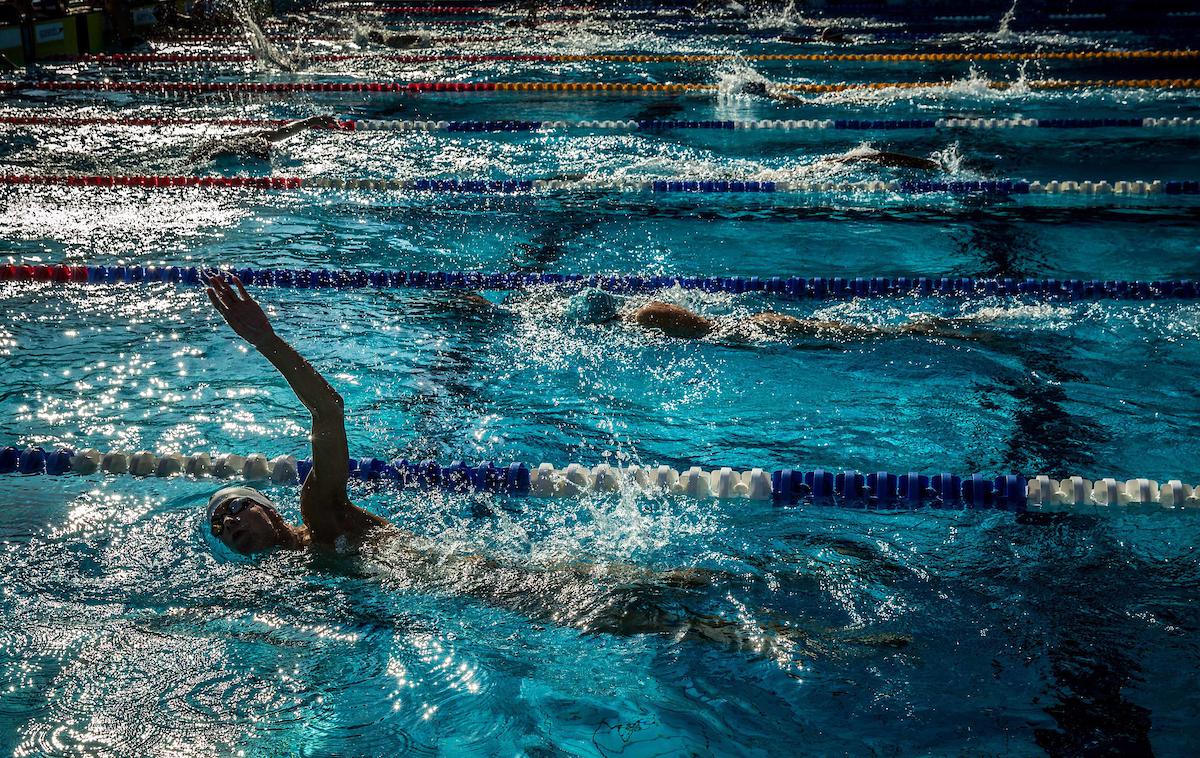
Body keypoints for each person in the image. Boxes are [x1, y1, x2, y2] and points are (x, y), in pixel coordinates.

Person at [204, 273, 388, 556]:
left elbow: (328, 411)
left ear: (270, 511)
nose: (228, 522)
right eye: (218, 527)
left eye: (237, 506)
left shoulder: (321, 516)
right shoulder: (280, 573)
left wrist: (266, 341)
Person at [562, 288, 994, 343]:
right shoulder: (648, 307)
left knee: (866, 337)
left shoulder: (640, 322)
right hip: (753, 322)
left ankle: (923, 331)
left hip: (753, 332)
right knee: (860, 332)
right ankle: (923, 329)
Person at [188, 115, 338, 166]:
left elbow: (283, 131)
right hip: (214, 149)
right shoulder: (235, 148)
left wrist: (313, 121)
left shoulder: (259, 137)